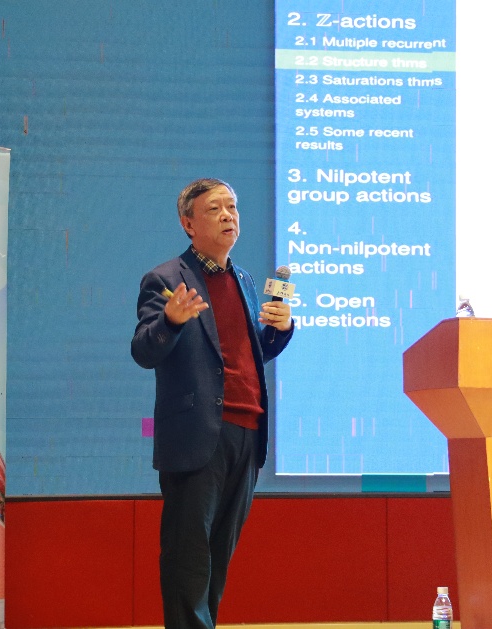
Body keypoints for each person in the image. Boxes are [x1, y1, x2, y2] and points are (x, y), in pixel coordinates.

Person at [131, 178, 294, 629]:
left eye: (232, 207)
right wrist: (170, 321)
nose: (228, 215)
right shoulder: (166, 280)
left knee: (218, 558)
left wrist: (281, 329)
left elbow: (249, 356)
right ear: (188, 224)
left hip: (248, 433)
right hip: (198, 434)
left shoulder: (244, 280)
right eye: (215, 209)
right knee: (188, 559)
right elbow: (143, 350)